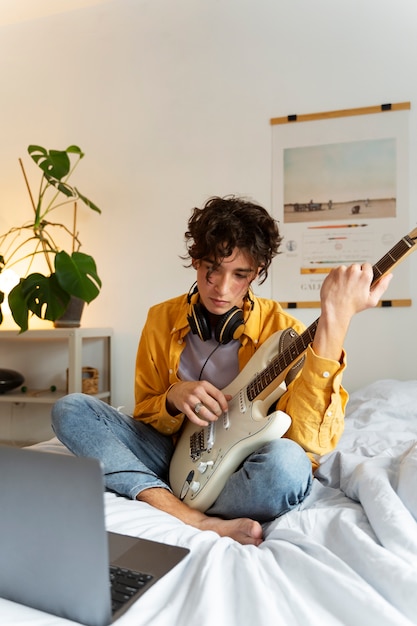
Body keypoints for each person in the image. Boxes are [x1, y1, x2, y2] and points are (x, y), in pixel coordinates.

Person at [51, 196, 391, 546]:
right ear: (195, 261)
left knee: (287, 467)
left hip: (237, 465)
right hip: (172, 453)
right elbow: (144, 414)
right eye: (212, 269)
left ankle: (172, 497)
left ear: (256, 274)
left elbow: (309, 442)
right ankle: (188, 514)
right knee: (72, 408)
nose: (222, 288)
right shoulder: (160, 319)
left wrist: (336, 322)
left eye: (240, 275)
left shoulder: (283, 332)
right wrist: (173, 397)